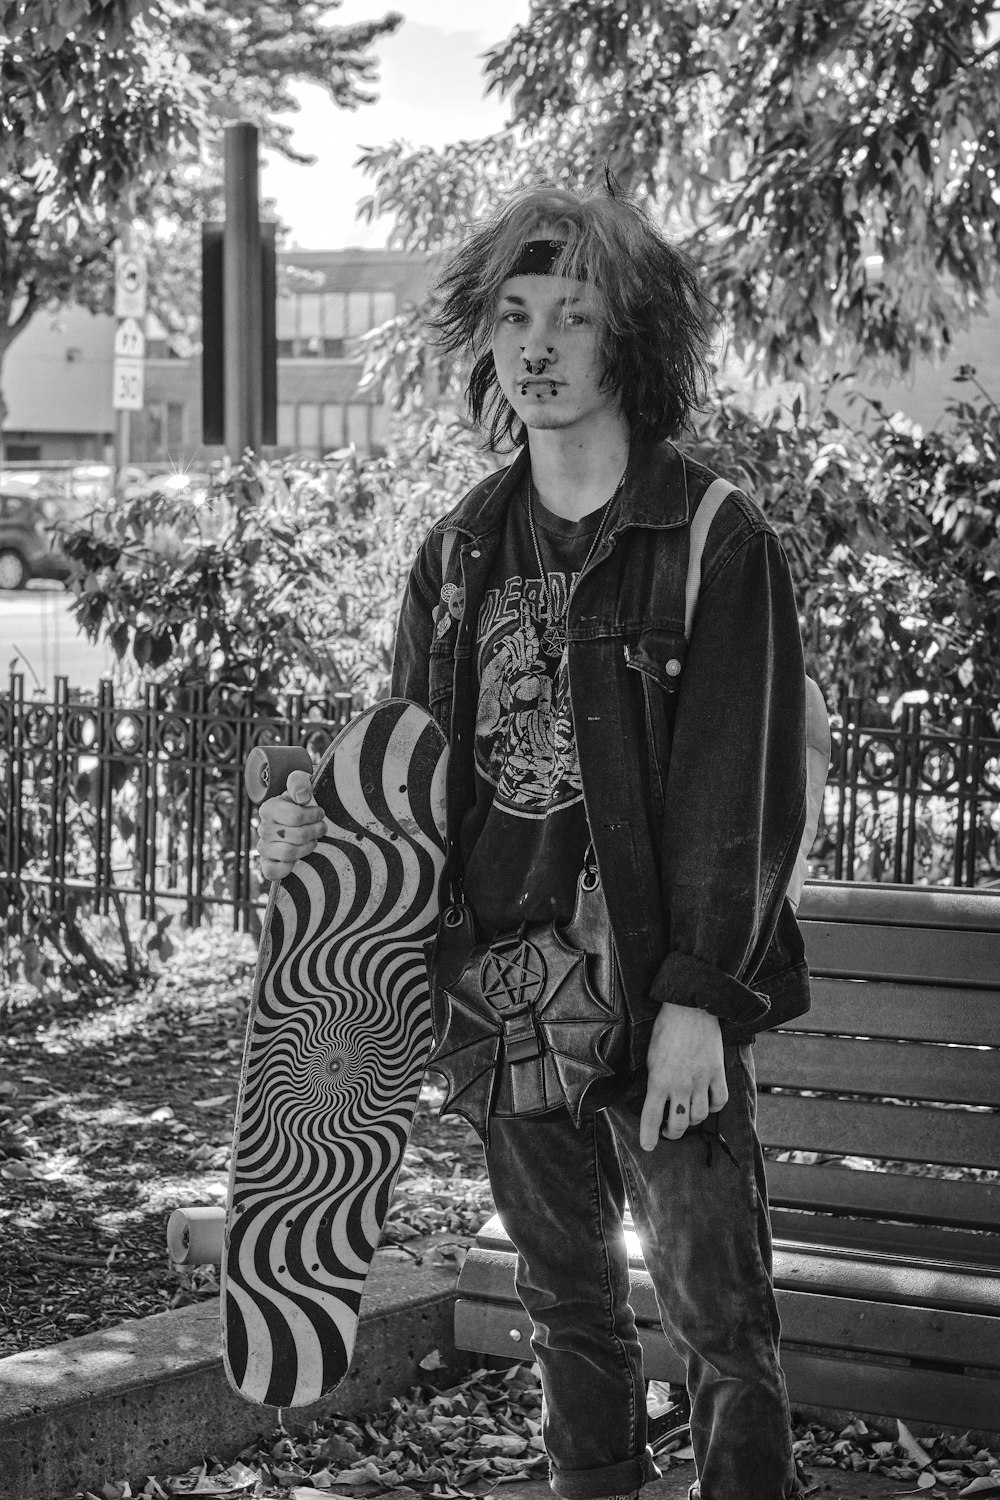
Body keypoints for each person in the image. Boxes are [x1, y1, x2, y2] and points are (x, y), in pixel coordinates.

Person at [255, 181, 810, 1500]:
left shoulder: (712, 543)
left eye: (573, 314)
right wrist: (318, 835)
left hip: (660, 999)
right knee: (569, 1314)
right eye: (514, 316)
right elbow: (420, 777)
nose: (538, 345)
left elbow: (744, 795)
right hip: (509, 1004)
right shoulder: (459, 555)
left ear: (634, 338)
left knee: (720, 1322)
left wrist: (700, 1004)